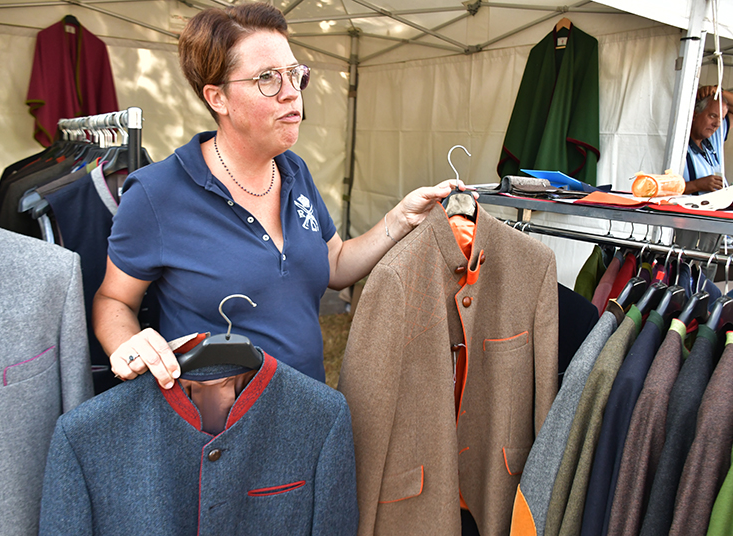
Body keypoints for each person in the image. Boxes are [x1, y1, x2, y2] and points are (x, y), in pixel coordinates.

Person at [93, 3, 466, 389]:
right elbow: (112, 301)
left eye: (294, 74)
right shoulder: (157, 193)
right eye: (267, 78)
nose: (291, 94)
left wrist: (401, 218)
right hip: (214, 429)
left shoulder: (293, 170)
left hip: (307, 412)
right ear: (217, 98)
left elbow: (334, 264)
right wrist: (130, 345)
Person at [683, 85, 733, 194]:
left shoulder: (712, 138)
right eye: (713, 116)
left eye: (722, 118)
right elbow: (657, 190)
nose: (717, 124)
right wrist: (696, 185)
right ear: (694, 115)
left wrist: (718, 91)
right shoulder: (677, 147)